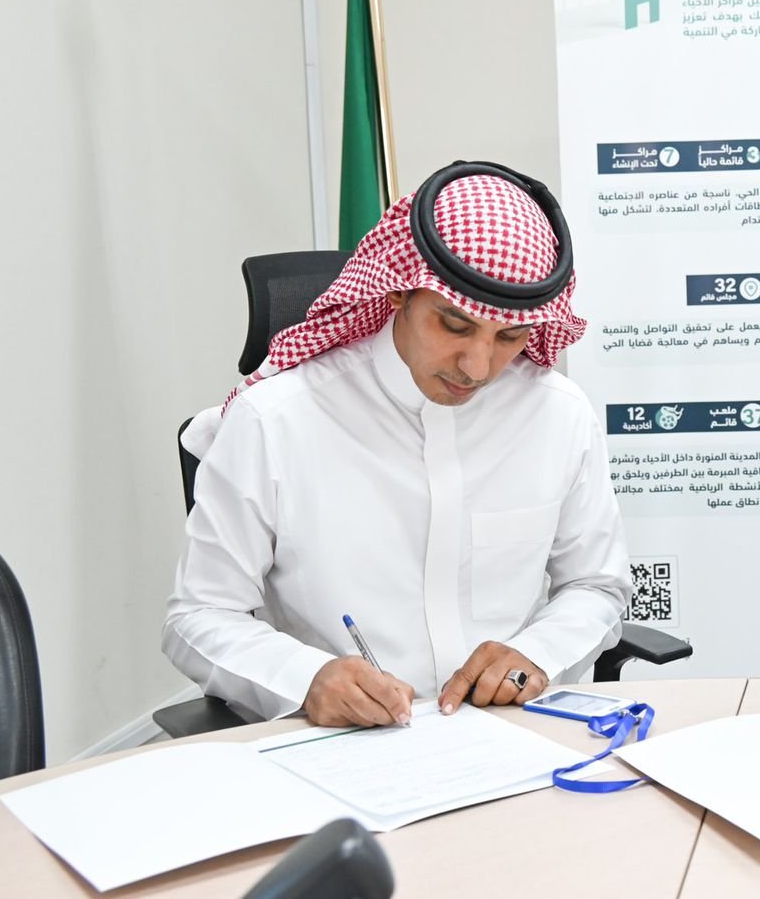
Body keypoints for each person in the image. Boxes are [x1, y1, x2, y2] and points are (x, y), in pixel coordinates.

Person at [164, 161, 632, 727]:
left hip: (515, 732)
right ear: (398, 293)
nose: (477, 366)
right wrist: (306, 678)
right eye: (454, 325)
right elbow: (198, 616)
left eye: (509, 336)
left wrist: (539, 653)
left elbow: (596, 586)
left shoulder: (558, 414)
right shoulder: (276, 420)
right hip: (340, 745)